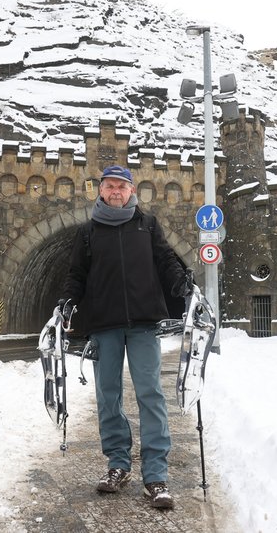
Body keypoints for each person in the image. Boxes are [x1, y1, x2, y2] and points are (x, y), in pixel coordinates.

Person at [59, 164, 190, 509]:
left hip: (144, 323)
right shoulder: (87, 232)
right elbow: (76, 275)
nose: (116, 191)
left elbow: (166, 260)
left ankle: (155, 475)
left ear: (132, 191)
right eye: (110, 186)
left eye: (122, 186)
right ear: (100, 191)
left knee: (150, 394)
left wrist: (180, 280)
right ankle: (117, 465)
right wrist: (69, 301)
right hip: (104, 325)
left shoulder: (147, 225)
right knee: (108, 395)